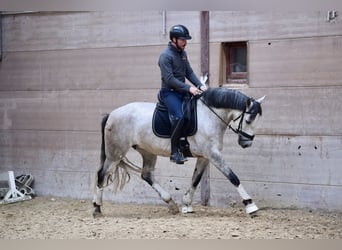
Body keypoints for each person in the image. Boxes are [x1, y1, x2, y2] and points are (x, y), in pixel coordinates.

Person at [158, 24, 208, 164]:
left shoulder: (183, 54)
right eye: (182, 39)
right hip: (169, 93)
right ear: (173, 39)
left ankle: (186, 144)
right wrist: (189, 88)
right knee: (179, 117)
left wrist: (200, 85)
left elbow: (189, 72)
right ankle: (174, 152)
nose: (185, 42)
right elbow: (169, 79)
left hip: (182, 92)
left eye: (185, 40)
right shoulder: (165, 56)